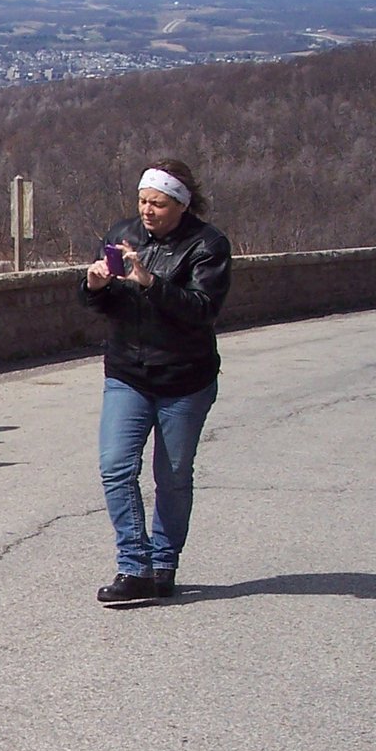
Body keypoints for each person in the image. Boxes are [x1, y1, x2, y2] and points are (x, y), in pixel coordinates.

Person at [81, 159, 232, 607]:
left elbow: (203, 308)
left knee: (171, 476)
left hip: (184, 378)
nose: (147, 211)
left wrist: (151, 282)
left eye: (159, 204)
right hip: (128, 372)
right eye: (143, 201)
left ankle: (164, 564)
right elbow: (107, 306)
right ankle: (134, 566)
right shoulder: (122, 233)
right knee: (115, 467)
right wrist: (93, 287)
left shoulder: (207, 245)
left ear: (181, 205)